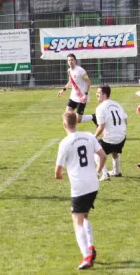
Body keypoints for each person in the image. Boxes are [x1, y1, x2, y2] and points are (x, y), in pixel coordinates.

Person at [55, 112, 106, 270]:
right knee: (84, 215)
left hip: (80, 187)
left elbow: (57, 172)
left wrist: (60, 175)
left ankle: (86, 256)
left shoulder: (65, 142)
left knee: (76, 220)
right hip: (93, 184)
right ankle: (90, 247)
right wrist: (97, 171)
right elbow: (103, 156)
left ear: (64, 124)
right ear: (76, 122)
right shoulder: (89, 136)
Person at [92, 85, 127, 181]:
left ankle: (105, 174)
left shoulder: (100, 108)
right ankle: (116, 172)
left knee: (96, 152)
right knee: (114, 151)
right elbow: (125, 119)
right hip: (122, 138)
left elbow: (101, 127)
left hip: (110, 139)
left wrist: (94, 136)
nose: (96, 94)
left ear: (104, 94)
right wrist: (121, 130)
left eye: (98, 93)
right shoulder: (117, 104)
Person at [57, 53, 94, 124]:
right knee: (67, 115)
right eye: (69, 60)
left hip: (82, 97)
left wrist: (85, 94)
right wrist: (63, 90)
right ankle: (71, 132)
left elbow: (88, 82)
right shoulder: (69, 70)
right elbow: (71, 81)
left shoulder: (81, 71)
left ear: (75, 61)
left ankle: (93, 117)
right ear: (67, 62)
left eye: (72, 60)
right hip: (73, 96)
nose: (70, 62)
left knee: (78, 120)